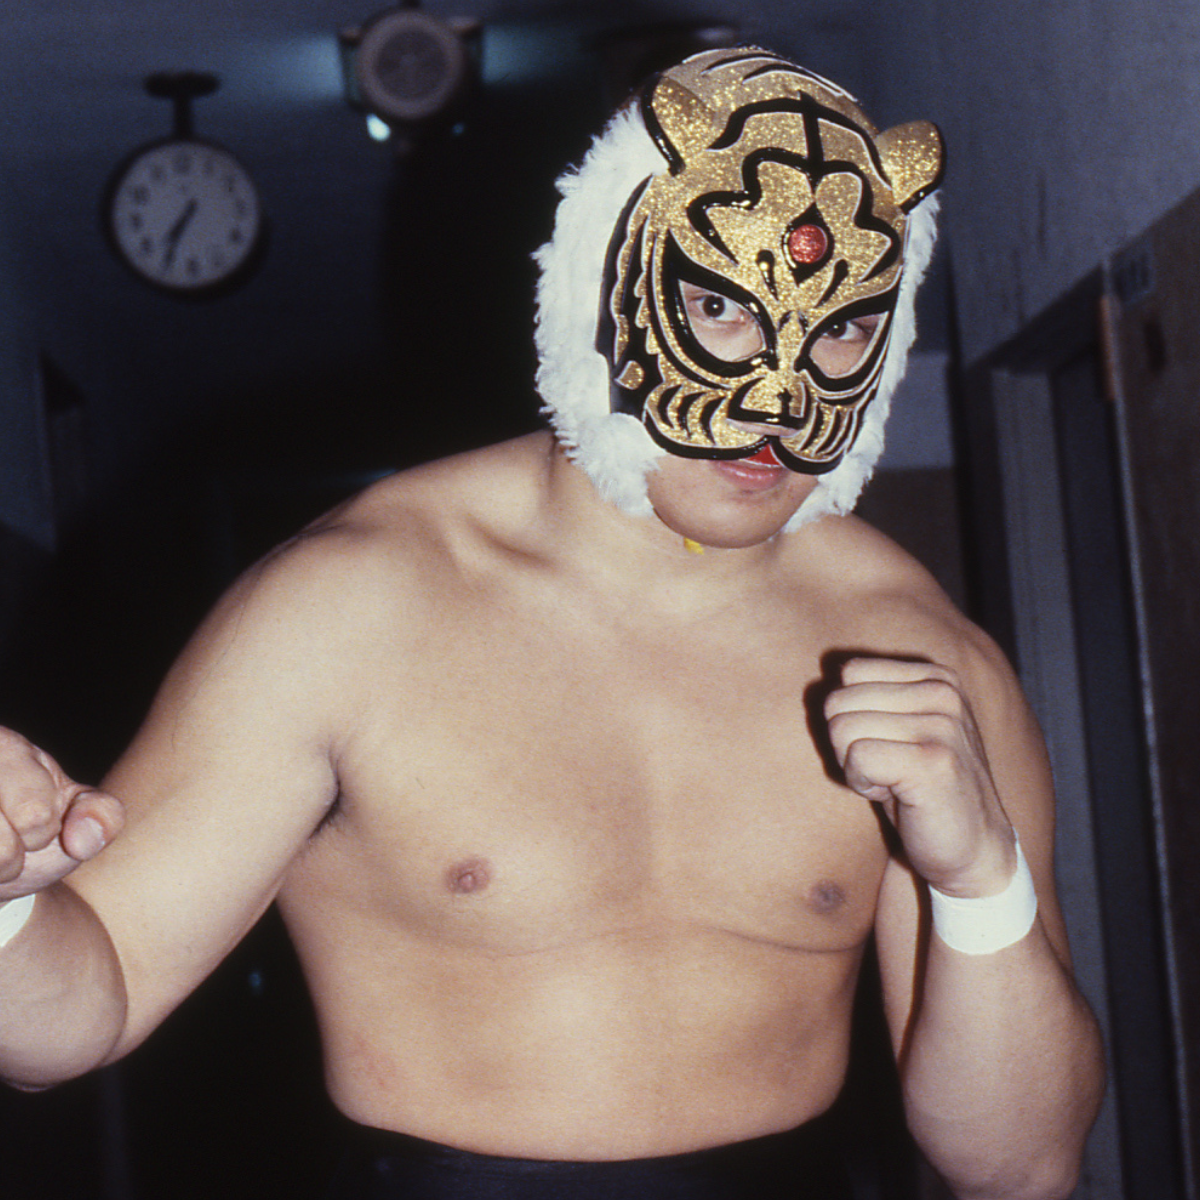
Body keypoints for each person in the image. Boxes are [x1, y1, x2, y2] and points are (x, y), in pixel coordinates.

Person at [0, 47, 1103, 1199]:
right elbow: (80, 1016)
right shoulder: (347, 609)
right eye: (719, 306)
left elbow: (1022, 1167)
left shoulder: (920, 653)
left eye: (837, 331)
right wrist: (8, 903)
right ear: (604, 279)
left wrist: (981, 879)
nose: (776, 397)